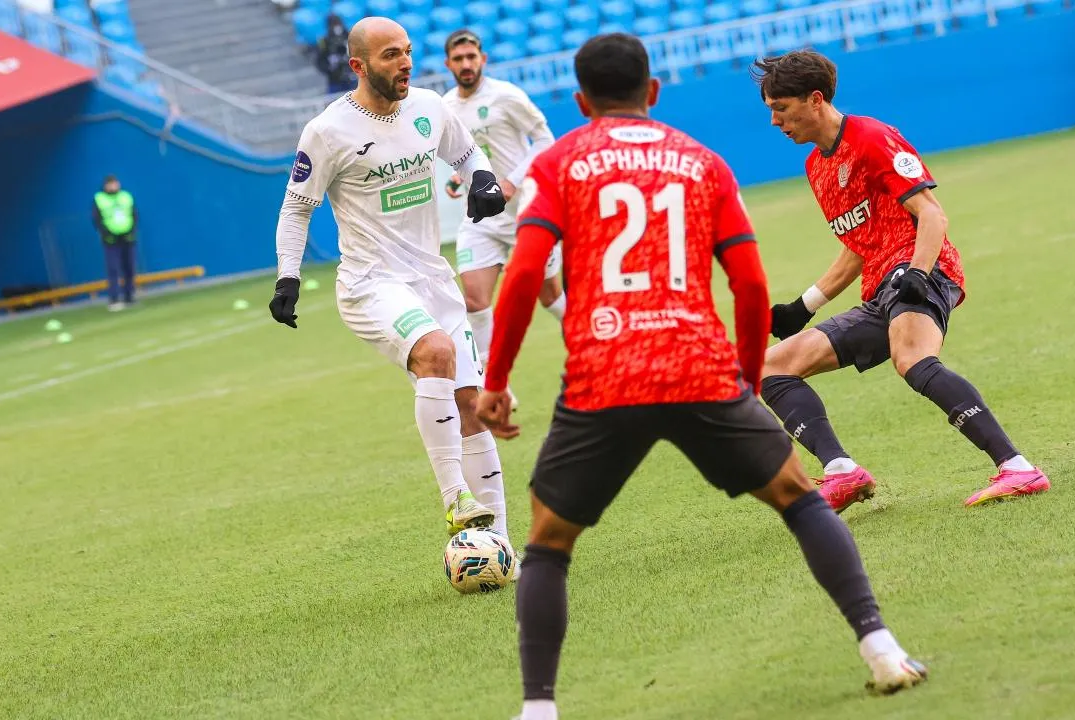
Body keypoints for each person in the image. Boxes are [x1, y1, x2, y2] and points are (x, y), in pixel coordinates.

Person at [474, 34, 927, 720]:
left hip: (606, 374)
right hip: (698, 367)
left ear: (580, 101)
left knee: (548, 542)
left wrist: (496, 380)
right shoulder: (702, 162)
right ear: (653, 92)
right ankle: (882, 650)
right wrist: (743, 377)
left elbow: (525, 274)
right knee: (799, 499)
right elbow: (749, 284)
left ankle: (538, 709)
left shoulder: (557, 163)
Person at [748, 50, 1049, 510]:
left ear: (815, 99)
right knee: (772, 367)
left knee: (912, 358)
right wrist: (804, 305)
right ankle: (843, 472)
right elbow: (858, 246)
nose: (774, 121)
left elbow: (931, 214)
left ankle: (1019, 468)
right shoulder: (817, 167)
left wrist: (917, 275)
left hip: (922, 270)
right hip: (881, 290)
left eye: (781, 108)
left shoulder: (872, 137)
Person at [269, 16, 516, 539]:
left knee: (471, 406)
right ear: (358, 66)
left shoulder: (430, 107)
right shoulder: (328, 131)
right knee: (436, 352)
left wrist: (483, 180)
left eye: (406, 51)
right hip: (371, 283)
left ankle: (499, 545)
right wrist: (287, 277)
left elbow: (467, 152)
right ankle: (455, 499)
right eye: (390, 55)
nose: (405, 63)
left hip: (432, 277)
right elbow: (296, 209)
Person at [441, 28, 563, 407]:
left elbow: (545, 140)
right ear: (448, 64)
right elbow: (464, 153)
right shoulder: (446, 106)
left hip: (526, 213)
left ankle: (592, 351)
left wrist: (512, 182)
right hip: (482, 219)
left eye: (471, 57)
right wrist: (458, 178)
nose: (466, 64)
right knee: (475, 301)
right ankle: (496, 385)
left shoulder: (506, 96)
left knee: (550, 296)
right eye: (458, 59)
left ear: (483, 59)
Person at [92, 174, 138, 312]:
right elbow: (97, 219)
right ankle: (114, 299)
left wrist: (132, 230)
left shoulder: (126, 196)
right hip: (111, 240)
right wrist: (106, 233)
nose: (113, 186)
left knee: (129, 268)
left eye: (115, 183)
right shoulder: (100, 199)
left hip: (127, 237)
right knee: (113, 268)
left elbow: (134, 214)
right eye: (110, 184)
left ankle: (129, 296)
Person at [315, 13, 357, 94]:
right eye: (333, 24)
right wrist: (330, 67)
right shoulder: (325, 41)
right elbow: (320, 61)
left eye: (337, 23)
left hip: (352, 75)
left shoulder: (350, 36)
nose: (336, 27)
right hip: (335, 79)